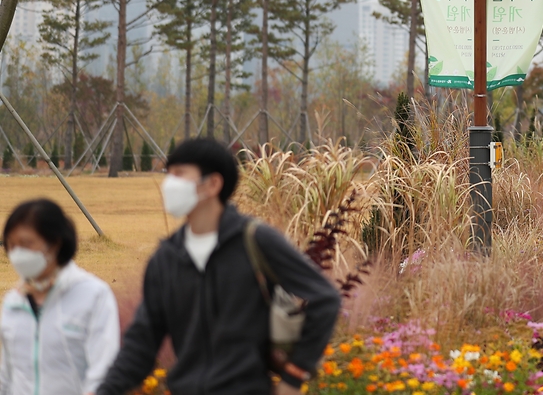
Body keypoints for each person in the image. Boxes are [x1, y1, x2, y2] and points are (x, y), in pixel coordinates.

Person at [96, 139, 342, 395]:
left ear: (213, 184)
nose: (169, 184)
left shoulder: (256, 241)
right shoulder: (166, 259)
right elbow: (141, 345)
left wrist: (294, 376)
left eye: (180, 174)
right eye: (168, 174)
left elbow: (325, 299)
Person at [1, 199, 120, 395]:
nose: (17, 253)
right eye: (12, 246)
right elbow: (6, 375)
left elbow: (103, 371)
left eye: (26, 244)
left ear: (55, 243)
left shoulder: (94, 295)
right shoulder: (13, 301)